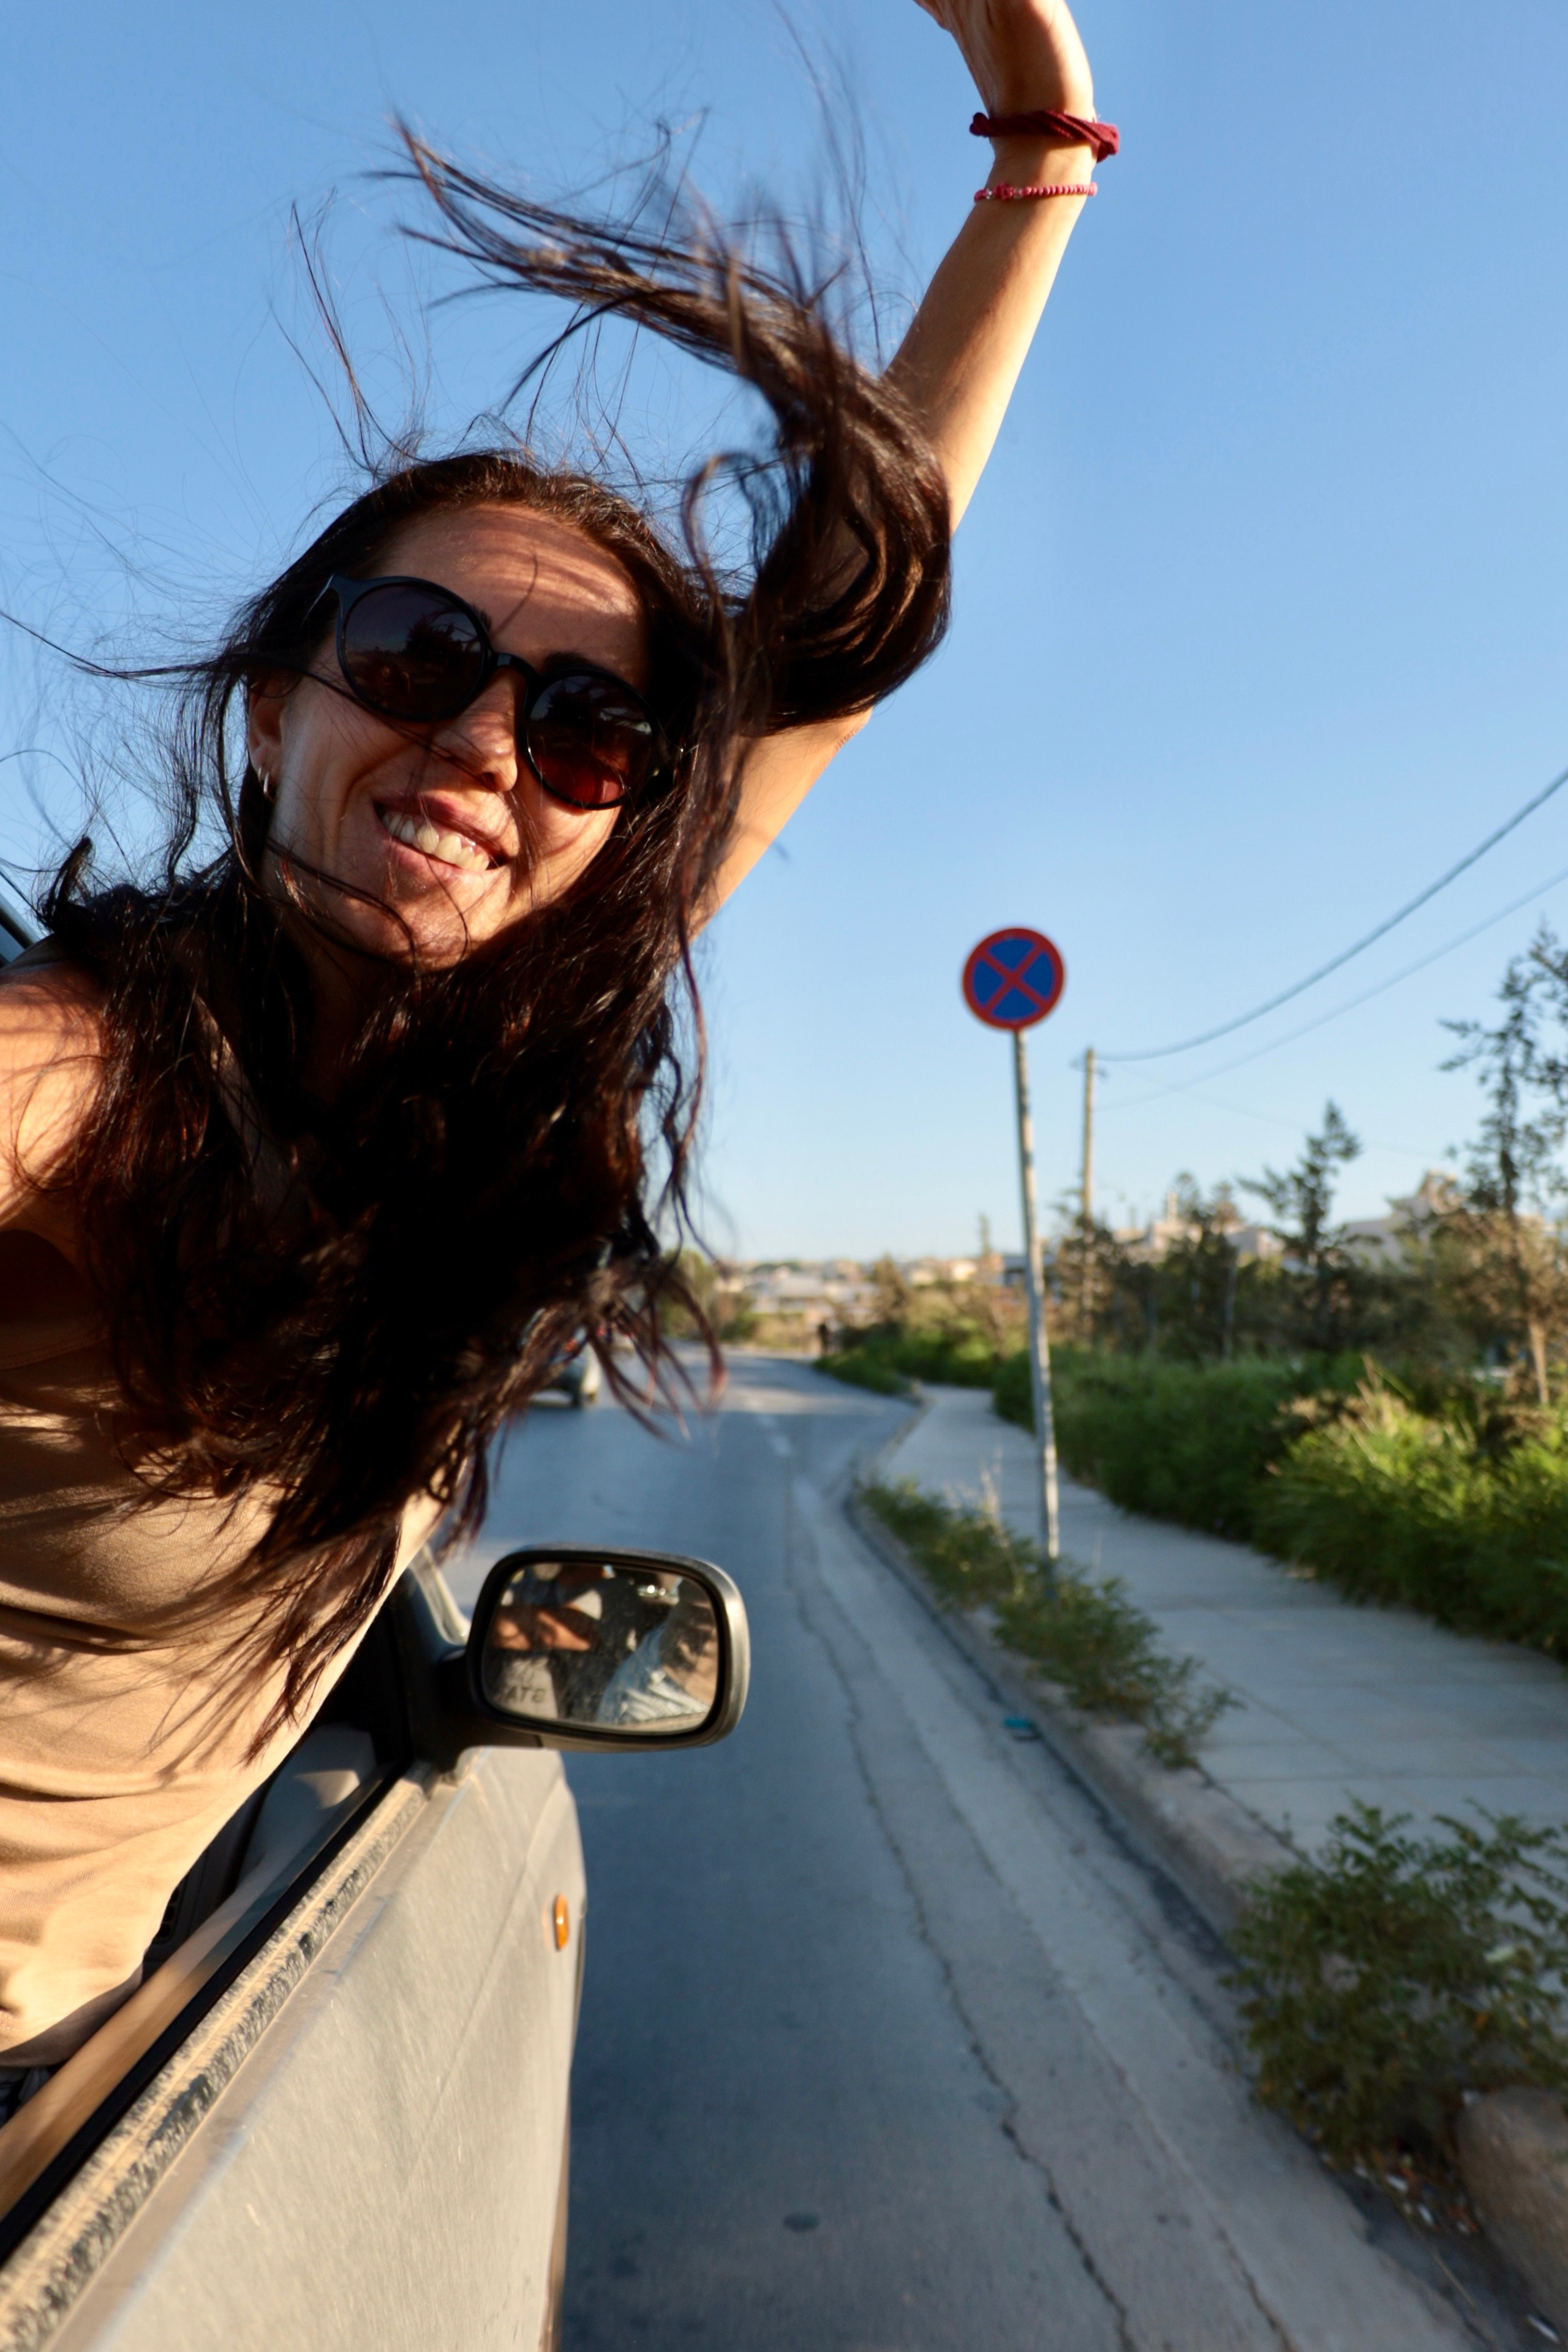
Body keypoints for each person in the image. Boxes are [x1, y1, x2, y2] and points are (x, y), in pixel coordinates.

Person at [0, 0, 1109, 2090]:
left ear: (620, 819)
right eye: (420, 655)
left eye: (589, 731)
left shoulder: (481, 1080)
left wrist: (1042, 163)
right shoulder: (84, 1071)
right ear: (275, 699)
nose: (492, 749)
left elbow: (830, 650)